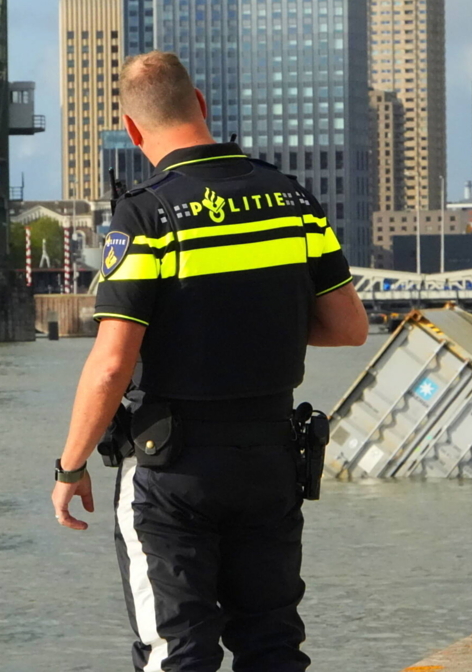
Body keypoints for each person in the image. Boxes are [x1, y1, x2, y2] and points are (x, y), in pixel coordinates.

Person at [51, 51, 369, 672]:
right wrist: (251, 333)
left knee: (179, 653)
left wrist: (70, 467)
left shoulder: (144, 214)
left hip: (172, 471)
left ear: (133, 128)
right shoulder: (291, 198)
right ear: (201, 105)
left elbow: (112, 363)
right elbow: (349, 328)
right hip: (272, 460)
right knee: (272, 644)